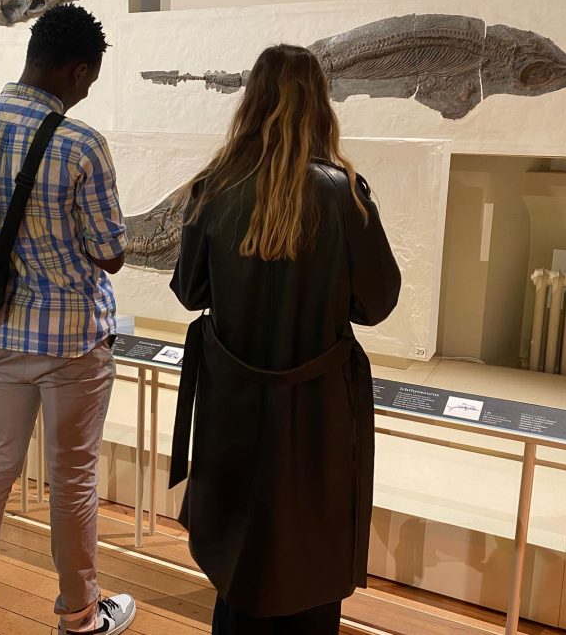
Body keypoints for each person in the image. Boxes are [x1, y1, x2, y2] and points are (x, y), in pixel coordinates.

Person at [169, 44, 402, 634]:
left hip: (232, 401)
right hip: (319, 405)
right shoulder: (345, 192)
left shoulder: (214, 187)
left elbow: (190, 291)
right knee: (311, 549)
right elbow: (376, 304)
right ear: (320, 105)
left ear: (251, 102)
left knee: (240, 553)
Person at [0, 3, 136, 635]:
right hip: (74, 341)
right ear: (76, 69)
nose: (86, 91)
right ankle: (78, 617)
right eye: (89, 80)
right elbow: (110, 253)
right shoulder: (80, 143)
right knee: (71, 480)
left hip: (1, 335)